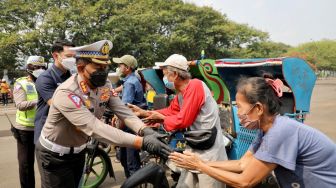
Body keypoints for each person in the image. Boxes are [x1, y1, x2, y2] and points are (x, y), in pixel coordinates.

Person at [34, 40, 172, 188]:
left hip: (79, 152)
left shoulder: (104, 85)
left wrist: (145, 130)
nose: (103, 71)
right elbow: (95, 127)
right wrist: (142, 142)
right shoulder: (67, 92)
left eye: (105, 66)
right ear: (81, 68)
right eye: (98, 67)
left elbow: (123, 111)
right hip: (55, 156)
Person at [169, 76, 336, 188]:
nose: (238, 113)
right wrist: (201, 162)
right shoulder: (266, 131)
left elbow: (245, 181)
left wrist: (200, 166)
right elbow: (242, 164)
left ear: (258, 108)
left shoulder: (280, 132)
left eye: (240, 107)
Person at [129, 54, 227, 188]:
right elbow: (170, 111)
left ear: (175, 74)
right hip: (194, 149)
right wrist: (144, 113)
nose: (164, 79)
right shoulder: (181, 94)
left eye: (165, 74)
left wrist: (162, 119)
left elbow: (183, 120)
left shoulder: (195, 86)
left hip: (209, 153)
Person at [12, 56, 46, 188]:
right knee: (26, 164)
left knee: (45, 163)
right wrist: (40, 101)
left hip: (42, 127)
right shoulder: (21, 84)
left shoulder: (45, 81)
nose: (39, 70)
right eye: (36, 67)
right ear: (29, 68)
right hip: (25, 129)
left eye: (41, 67)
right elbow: (20, 104)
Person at [33, 39, 75, 144]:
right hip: (48, 135)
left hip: (67, 131)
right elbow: (57, 105)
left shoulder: (72, 76)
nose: (73, 60)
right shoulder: (45, 78)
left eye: (74, 56)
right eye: (69, 56)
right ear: (56, 56)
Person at [113, 55, 146, 178]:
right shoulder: (131, 80)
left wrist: (118, 121)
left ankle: (134, 181)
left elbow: (124, 107)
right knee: (124, 158)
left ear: (127, 68)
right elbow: (122, 88)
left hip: (131, 124)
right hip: (132, 122)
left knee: (130, 161)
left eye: (121, 65)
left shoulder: (131, 82)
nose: (119, 67)